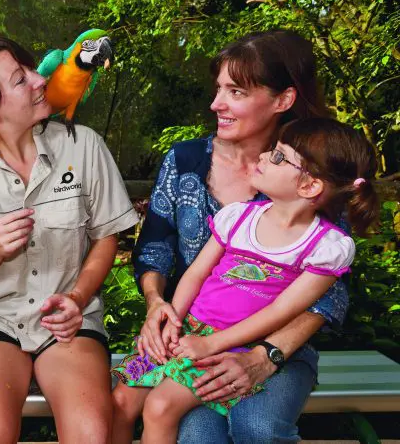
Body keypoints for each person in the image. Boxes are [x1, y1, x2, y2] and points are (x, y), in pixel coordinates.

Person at [111, 29, 352, 444]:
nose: (215, 104)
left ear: (283, 100)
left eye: (235, 91)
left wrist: (267, 355)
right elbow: (153, 250)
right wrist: (159, 309)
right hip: (186, 329)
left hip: (266, 346)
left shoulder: (313, 172)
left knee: (232, 426)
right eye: (218, 88)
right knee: (120, 402)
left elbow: (328, 294)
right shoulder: (185, 160)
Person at [0, 37, 140, 444]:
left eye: (30, 68)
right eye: (20, 79)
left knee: (91, 435)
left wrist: (76, 299)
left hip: (67, 323)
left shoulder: (85, 145)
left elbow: (106, 238)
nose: (39, 79)